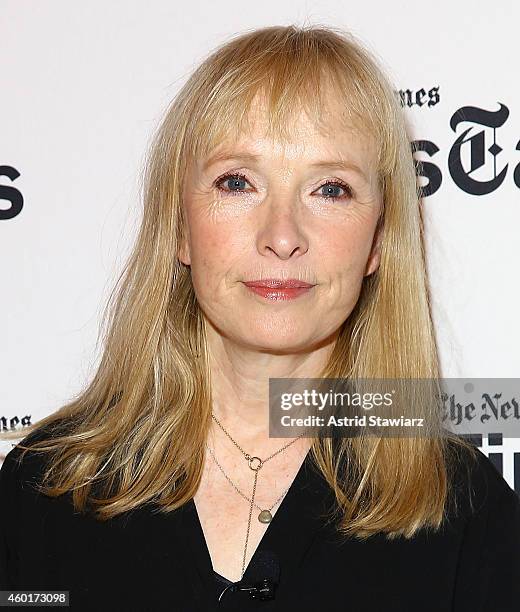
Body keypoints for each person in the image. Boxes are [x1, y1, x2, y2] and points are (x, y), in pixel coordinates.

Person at [1, 24, 519, 612]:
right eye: (238, 182)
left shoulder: (466, 514)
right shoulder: (41, 490)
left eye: (330, 189)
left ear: (377, 241)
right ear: (179, 226)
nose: (282, 236)